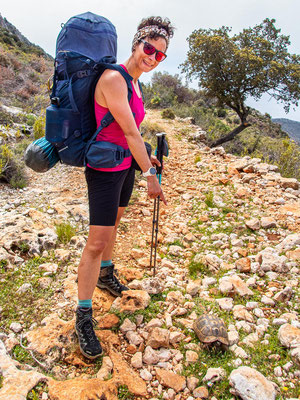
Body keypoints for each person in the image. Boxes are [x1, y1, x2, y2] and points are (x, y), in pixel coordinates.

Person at [75, 16, 175, 359]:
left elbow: (131, 131)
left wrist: (146, 157)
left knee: (114, 225)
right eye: (149, 49)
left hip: (123, 165)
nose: (152, 57)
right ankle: (84, 315)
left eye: (160, 55)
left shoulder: (136, 84)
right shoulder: (115, 79)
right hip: (104, 169)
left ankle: (106, 274)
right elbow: (130, 133)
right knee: (96, 241)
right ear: (136, 44)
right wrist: (149, 174)